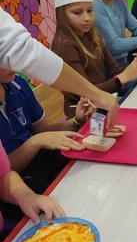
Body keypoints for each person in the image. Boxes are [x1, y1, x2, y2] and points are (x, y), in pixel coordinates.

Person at [0, 7, 119, 127]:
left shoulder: (19, 85)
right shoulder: (64, 45)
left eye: (90, 10)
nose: (87, 18)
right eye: (77, 12)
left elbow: (43, 130)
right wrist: (101, 93)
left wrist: (78, 121)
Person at [0, 68, 93, 197]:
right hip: (12, 181)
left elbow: (43, 129)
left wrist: (77, 121)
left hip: (38, 159)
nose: (11, 65)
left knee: (86, 165)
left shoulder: (17, 83)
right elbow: (4, 172)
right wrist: (36, 142)